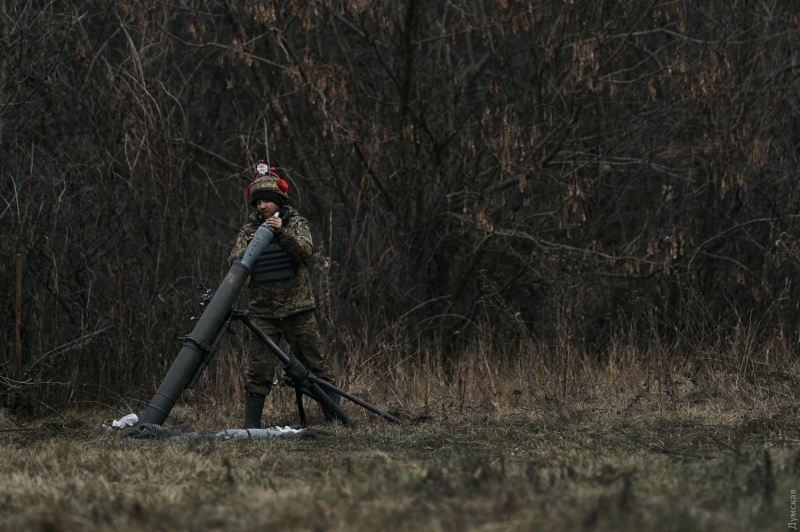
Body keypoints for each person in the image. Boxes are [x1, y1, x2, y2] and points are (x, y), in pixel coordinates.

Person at [228, 160, 344, 427]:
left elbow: (305, 250)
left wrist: (280, 235)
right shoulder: (248, 230)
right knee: (258, 370)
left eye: (266, 201)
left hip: (297, 309)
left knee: (316, 365)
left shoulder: (295, 223)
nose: (261, 206)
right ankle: (251, 429)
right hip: (263, 313)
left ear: (278, 200)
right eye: (257, 203)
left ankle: (336, 423)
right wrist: (248, 245)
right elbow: (234, 260)